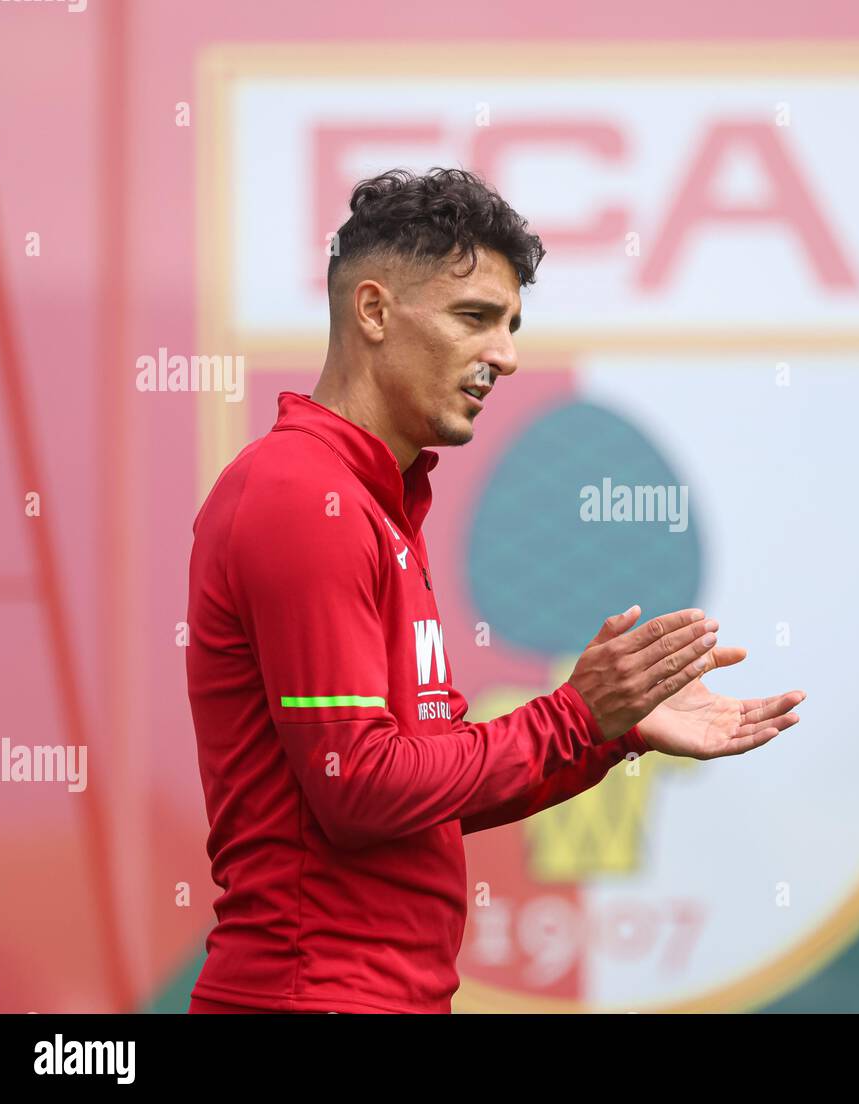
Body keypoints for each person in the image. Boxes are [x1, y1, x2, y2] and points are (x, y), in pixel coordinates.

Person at [185, 167, 804, 1013]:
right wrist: (573, 715)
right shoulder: (302, 495)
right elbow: (358, 785)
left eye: (512, 326)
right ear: (372, 312)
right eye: (474, 317)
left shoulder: (370, 502)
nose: (505, 356)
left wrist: (604, 733)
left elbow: (417, 790)